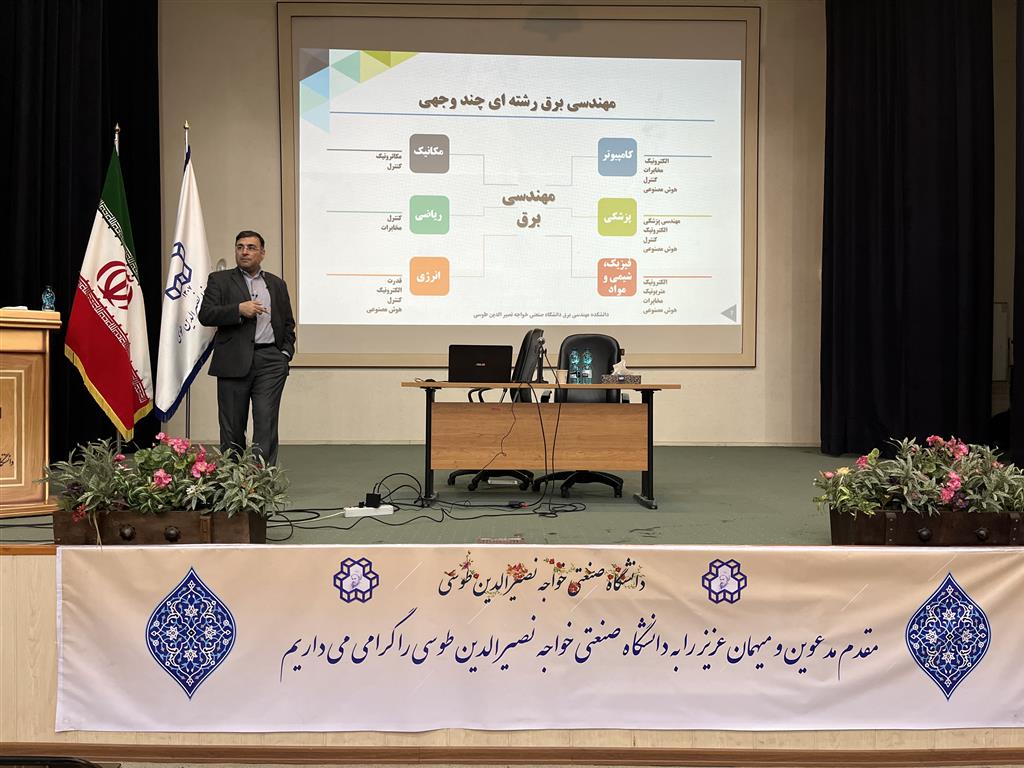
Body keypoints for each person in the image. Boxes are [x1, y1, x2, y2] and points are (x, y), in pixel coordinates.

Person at [198, 230, 295, 466]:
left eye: (251, 247)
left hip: (270, 361)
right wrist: (238, 310)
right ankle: (234, 476)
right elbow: (206, 315)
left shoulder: (277, 284)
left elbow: (287, 323)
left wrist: (284, 354)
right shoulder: (219, 280)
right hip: (233, 360)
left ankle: (261, 477)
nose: (244, 252)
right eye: (240, 247)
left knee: (266, 421)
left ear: (262, 253)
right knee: (232, 425)